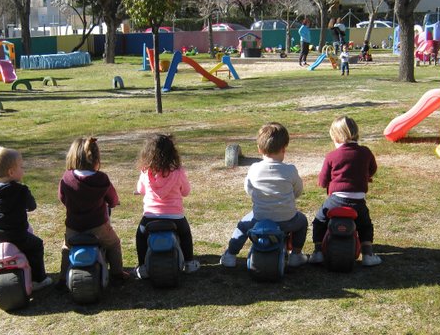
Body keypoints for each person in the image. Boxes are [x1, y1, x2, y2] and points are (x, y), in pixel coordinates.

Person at [220, 122, 308, 268]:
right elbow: (298, 190)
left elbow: (248, 189)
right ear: (284, 149)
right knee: (302, 222)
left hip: (259, 218)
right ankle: (296, 255)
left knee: (242, 226)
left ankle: (230, 254)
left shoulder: (254, 169)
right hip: (287, 219)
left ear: (259, 149)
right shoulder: (290, 170)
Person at [308, 116, 382, 267]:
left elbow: (322, 181)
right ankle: (367, 254)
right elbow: (373, 168)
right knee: (365, 224)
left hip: (336, 200)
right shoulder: (365, 152)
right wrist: (365, 176)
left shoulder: (332, 156)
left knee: (320, 220)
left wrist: (326, 183)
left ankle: (318, 252)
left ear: (335, 136)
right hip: (358, 201)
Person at [0, 147, 52, 299]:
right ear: (12, 172)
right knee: (36, 245)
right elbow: (32, 206)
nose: (23, 170)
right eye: (21, 167)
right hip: (19, 237)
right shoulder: (21, 190)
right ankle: (39, 279)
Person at [56, 137, 128, 290]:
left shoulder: (67, 178)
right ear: (96, 158)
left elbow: (62, 197)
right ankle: (117, 274)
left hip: (74, 227)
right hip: (98, 227)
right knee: (113, 244)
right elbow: (112, 198)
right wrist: (114, 203)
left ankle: (62, 278)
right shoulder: (101, 179)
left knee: (67, 248)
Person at [134, 134, 200, 279]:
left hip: (150, 217)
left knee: (140, 236)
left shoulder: (146, 171)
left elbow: (140, 189)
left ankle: (142, 267)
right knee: (185, 234)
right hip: (175, 217)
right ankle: (189, 262)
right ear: (172, 153)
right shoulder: (178, 172)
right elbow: (186, 191)